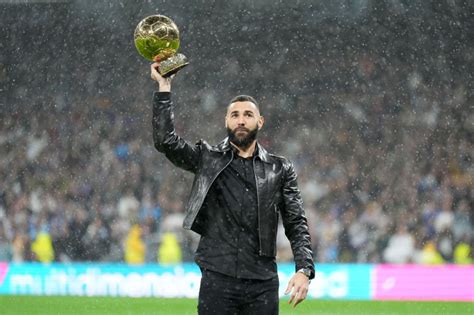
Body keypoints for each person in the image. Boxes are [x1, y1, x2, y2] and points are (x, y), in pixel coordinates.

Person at [150, 63, 315, 314]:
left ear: (260, 121)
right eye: (235, 115)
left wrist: (304, 270)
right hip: (218, 278)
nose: (241, 120)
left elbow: (296, 222)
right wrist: (164, 87)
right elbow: (166, 141)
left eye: (248, 115)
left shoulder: (280, 168)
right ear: (226, 120)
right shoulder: (208, 158)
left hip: (262, 282)